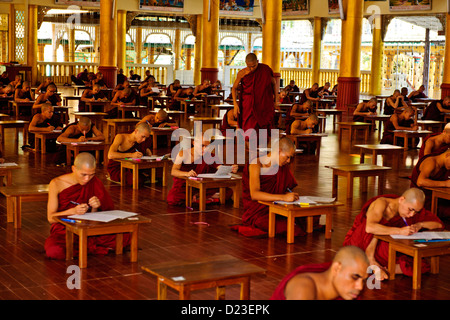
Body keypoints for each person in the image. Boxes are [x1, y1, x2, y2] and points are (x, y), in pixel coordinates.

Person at [44, 153, 131, 260]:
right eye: (83, 174)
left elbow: (100, 214)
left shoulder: (95, 182)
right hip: (65, 227)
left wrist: (95, 207)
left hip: (88, 226)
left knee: (125, 236)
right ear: (74, 169)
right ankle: (90, 247)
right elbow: (51, 218)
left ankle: (82, 247)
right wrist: (73, 211)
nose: (87, 179)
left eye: (91, 175)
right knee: (55, 250)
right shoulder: (56, 183)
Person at [343, 188, 443, 280]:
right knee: (377, 227)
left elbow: (438, 224)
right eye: (410, 209)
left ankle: (386, 268)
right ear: (401, 200)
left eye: (416, 212)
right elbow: (369, 228)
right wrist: (400, 231)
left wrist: (419, 225)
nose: (412, 214)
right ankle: (370, 260)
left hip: (382, 241)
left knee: (419, 264)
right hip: (361, 241)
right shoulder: (381, 203)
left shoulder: (411, 212)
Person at [235, 137, 308, 237]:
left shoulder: (282, 167)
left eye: (290, 157)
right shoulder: (256, 164)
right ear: (278, 151)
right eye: (287, 157)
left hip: (278, 207)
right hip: (259, 213)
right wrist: (283, 197)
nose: (288, 161)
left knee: (311, 216)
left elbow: (286, 188)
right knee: (289, 227)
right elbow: (255, 194)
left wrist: (289, 195)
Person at [270, 246, 369, 300]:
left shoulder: (346, 294)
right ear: (336, 268)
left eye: (364, 281)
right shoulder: (303, 287)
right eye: (355, 277)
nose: (360, 287)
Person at [167, 136, 238, 206]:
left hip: (203, 185)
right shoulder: (183, 154)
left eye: (207, 146)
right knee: (173, 197)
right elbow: (173, 171)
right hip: (186, 185)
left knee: (228, 192)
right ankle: (204, 198)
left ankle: (198, 197)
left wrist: (231, 169)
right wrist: (187, 173)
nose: (205, 149)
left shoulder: (209, 155)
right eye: (202, 145)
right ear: (194, 143)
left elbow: (220, 167)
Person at [232, 53, 276, 137]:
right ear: (245, 63)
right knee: (248, 130)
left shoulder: (265, 70)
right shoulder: (242, 73)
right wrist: (235, 104)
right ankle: (248, 148)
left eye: (254, 66)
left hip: (263, 103)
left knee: (264, 130)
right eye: (249, 66)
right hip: (248, 104)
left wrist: (275, 100)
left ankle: (261, 148)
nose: (251, 69)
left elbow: (274, 83)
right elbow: (234, 88)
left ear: (258, 62)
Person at [410, 149, 450, 219]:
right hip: (422, 201)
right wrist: (446, 183)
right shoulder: (431, 162)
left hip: (437, 198)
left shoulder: (444, 167)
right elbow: (420, 182)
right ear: (447, 155)